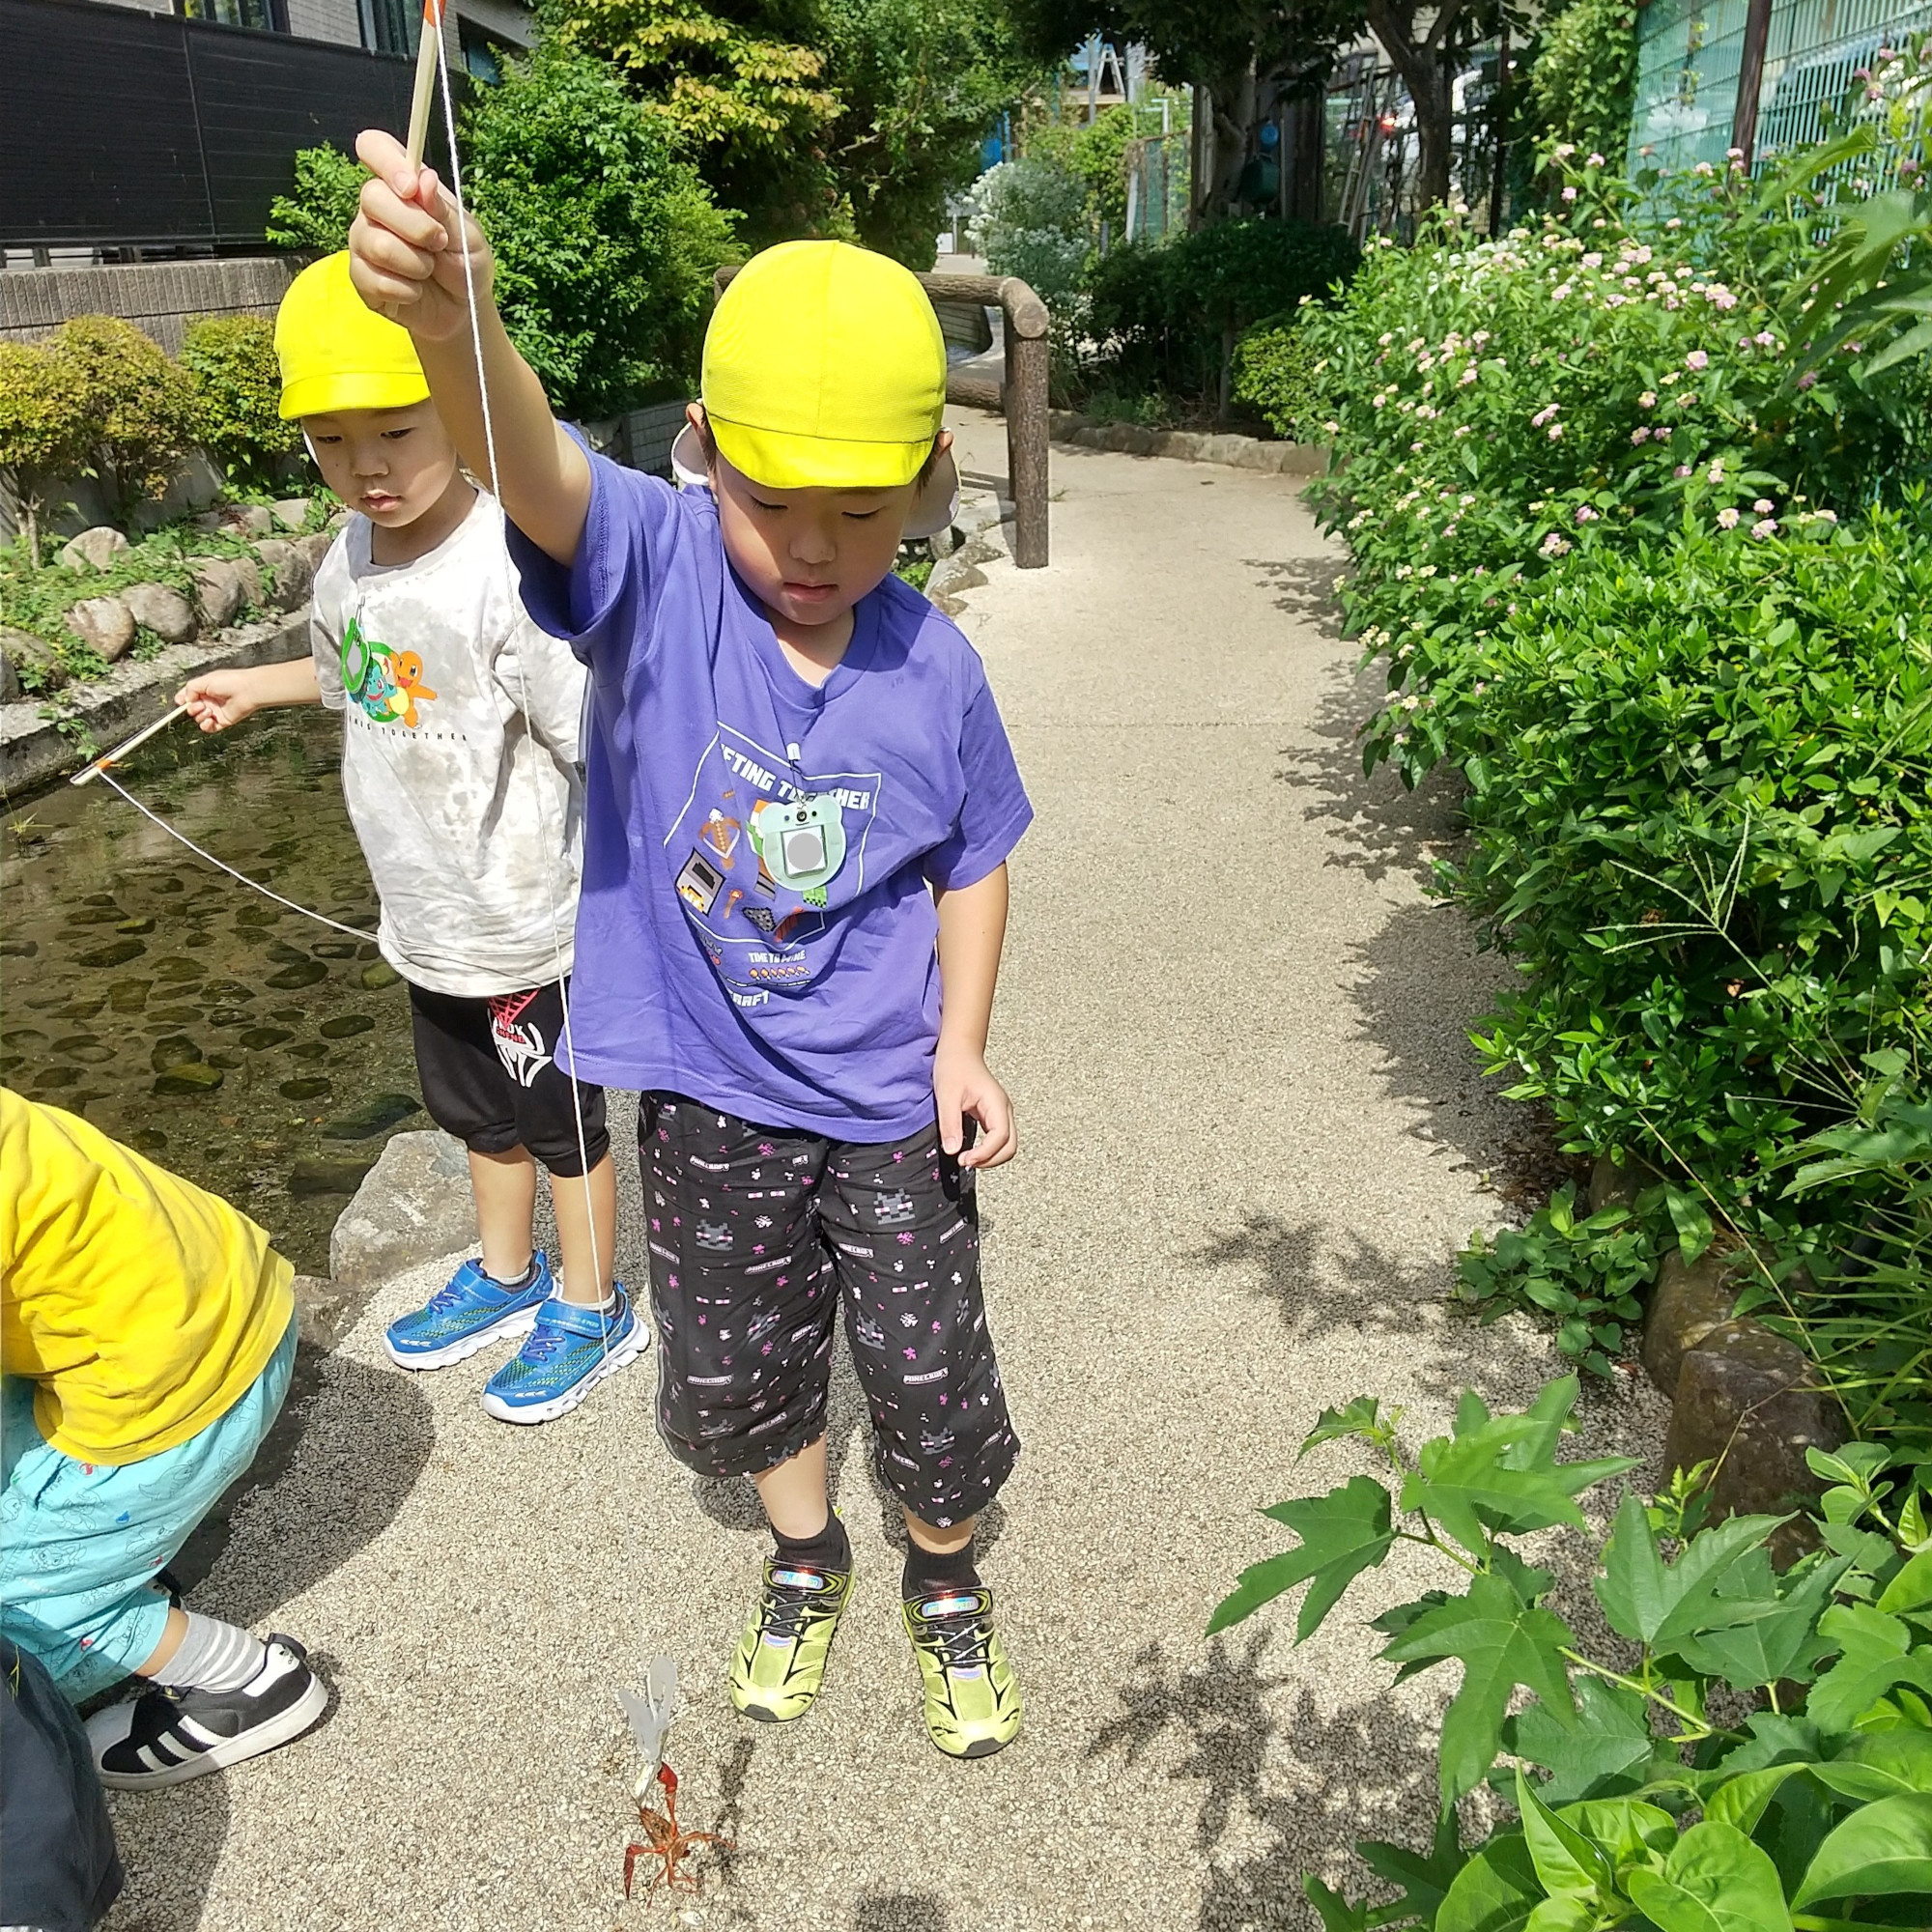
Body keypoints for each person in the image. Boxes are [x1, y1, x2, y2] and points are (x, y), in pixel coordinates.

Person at [349, 134, 1033, 1757]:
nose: (811, 549)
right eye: (771, 503)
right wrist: (458, 333)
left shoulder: (935, 673)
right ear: (704, 456)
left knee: (929, 1374)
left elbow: (975, 860)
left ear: (933, 477)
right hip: (712, 1102)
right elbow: (535, 468)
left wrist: (961, 1042)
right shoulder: (657, 575)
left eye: (862, 513)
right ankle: (809, 1553)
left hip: (885, 1101)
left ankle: (945, 1577)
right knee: (739, 1368)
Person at [178, 252, 644, 1425]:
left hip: (525, 916)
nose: (365, 467)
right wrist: (256, 684)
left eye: (394, 428)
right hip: (424, 917)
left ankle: (594, 1302)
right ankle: (504, 1271)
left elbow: (589, 727)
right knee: (475, 1115)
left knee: (561, 1124)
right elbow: (354, 680)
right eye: (332, 442)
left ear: (461, 404)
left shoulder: (502, 558)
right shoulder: (348, 556)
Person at [0, 1089, 326, 1789]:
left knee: (17, 1608)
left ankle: (246, 1682)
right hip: (227, 1294)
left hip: (180, 1386)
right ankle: (110, 1561)